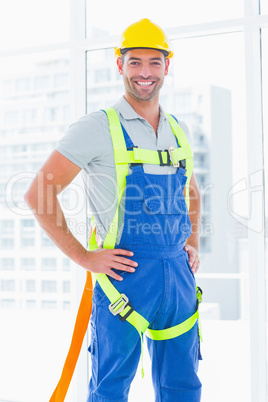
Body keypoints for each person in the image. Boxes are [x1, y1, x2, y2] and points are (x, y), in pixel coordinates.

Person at [25, 18, 202, 402]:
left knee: (184, 387)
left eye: (154, 62)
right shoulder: (96, 127)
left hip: (179, 278)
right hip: (124, 280)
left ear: (167, 65)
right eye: (134, 62)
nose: (145, 72)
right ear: (119, 64)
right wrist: (84, 256)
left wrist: (192, 242)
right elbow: (39, 193)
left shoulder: (177, 129)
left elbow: (192, 191)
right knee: (110, 390)